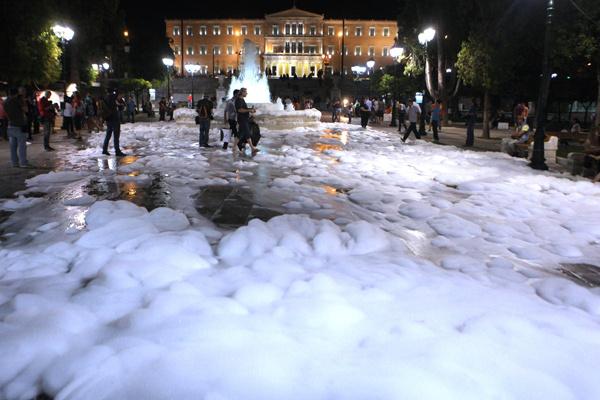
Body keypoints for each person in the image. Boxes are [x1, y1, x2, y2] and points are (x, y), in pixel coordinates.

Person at [4, 87, 32, 168]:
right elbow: (25, 109)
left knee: (12, 146)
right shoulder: (17, 100)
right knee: (21, 145)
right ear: (17, 93)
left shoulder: (5, 102)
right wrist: (22, 100)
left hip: (10, 125)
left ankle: (14, 163)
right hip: (19, 124)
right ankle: (23, 162)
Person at [234, 87, 259, 153]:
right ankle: (252, 147)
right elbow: (240, 110)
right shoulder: (239, 100)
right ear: (242, 93)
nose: (246, 93)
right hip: (242, 119)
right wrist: (249, 110)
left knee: (240, 133)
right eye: (245, 92)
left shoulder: (241, 100)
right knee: (247, 132)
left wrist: (250, 110)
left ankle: (234, 147)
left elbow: (243, 109)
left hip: (244, 118)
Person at [102, 89, 126, 156]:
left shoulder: (106, 98)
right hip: (114, 119)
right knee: (116, 135)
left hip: (108, 119)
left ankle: (104, 149)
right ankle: (117, 150)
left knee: (108, 135)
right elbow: (115, 108)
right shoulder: (113, 99)